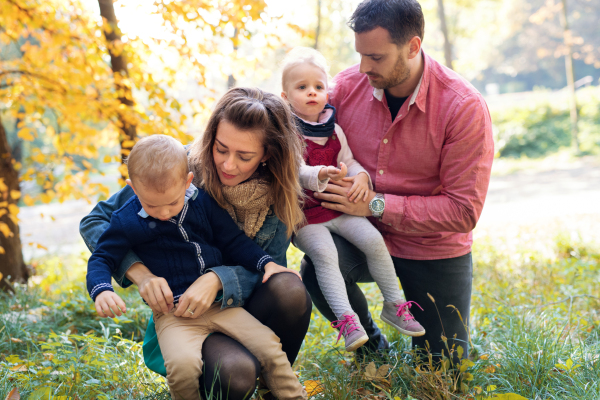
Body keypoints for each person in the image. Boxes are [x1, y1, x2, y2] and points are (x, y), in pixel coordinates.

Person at [80, 87, 311, 399]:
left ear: (267, 155)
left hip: (240, 305)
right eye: (221, 149)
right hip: (181, 311)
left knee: (289, 289)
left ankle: (274, 391)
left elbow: (261, 265)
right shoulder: (175, 169)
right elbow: (95, 223)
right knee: (236, 375)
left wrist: (217, 279)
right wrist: (139, 272)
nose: (228, 165)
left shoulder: (276, 191)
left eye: (244, 156)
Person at [300, 0, 494, 363]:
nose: (363, 67)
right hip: (361, 234)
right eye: (360, 55)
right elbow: (282, 121)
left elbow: (463, 210)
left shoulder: (463, 106)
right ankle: (373, 351)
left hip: (432, 246)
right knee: (316, 267)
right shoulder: (344, 88)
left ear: (413, 47)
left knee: (442, 369)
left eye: (375, 57)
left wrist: (375, 203)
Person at [280, 47, 425, 353]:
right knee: (325, 254)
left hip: (340, 209)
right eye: (302, 87)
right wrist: (318, 174)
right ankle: (348, 321)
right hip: (307, 218)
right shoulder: (286, 134)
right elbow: (295, 169)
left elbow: (351, 160)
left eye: (319, 87)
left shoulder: (334, 129)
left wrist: (360, 177)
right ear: (285, 96)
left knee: (373, 240)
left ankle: (394, 305)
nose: (312, 93)